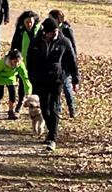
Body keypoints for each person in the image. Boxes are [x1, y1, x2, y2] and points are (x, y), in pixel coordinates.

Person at [27, 17, 81, 152]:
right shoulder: (35, 43)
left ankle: (52, 137)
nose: (55, 34)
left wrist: (75, 79)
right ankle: (51, 131)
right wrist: (31, 76)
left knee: (54, 106)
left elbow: (72, 61)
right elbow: (30, 61)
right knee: (44, 108)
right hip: (40, 80)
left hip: (56, 80)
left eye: (56, 31)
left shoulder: (64, 42)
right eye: (52, 32)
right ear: (45, 32)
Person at [50, 9, 78, 118]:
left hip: (65, 64)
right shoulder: (50, 30)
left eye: (51, 18)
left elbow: (73, 47)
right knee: (56, 88)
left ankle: (72, 108)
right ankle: (58, 109)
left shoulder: (66, 30)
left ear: (57, 19)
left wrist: (73, 60)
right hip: (56, 63)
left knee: (66, 87)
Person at [10, 10, 39, 111]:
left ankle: (35, 105)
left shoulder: (39, 31)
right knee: (22, 83)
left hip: (36, 63)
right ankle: (20, 103)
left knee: (35, 84)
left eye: (31, 22)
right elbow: (14, 46)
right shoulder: (20, 31)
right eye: (27, 22)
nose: (29, 24)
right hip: (23, 62)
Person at [0, 48, 31, 119]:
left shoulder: (20, 64)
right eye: (15, 61)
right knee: (0, 94)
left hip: (11, 79)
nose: (17, 64)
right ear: (10, 59)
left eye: (18, 62)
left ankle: (11, 112)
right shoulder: (2, 63)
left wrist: (28, 91)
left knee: (13, 95)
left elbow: (25, 77)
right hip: (0, 78)